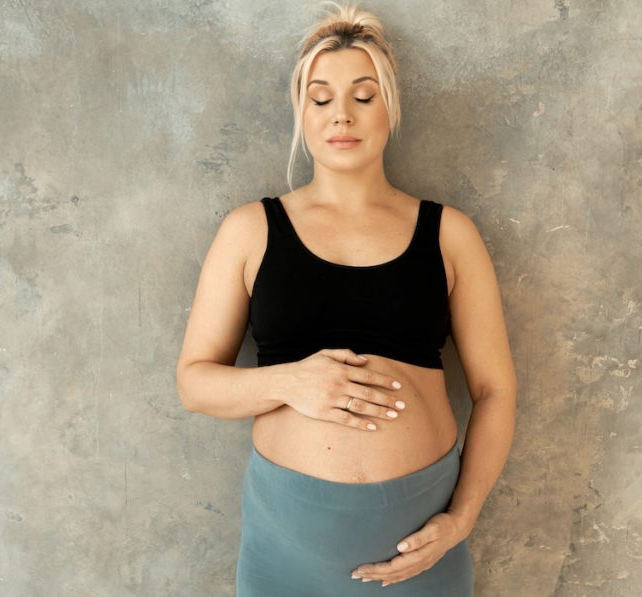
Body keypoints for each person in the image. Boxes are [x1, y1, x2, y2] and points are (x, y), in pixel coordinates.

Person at [176, 2, 516, 594]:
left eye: (363, 96)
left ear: (390, 110)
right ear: (301, 114)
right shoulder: (250, 230)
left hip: (421, 550)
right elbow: (194, 383)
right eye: (321, 97)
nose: (342, 116)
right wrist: (289, 382)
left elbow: (495, 391)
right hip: (286, 546)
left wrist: (462, 520)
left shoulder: (450, 234)